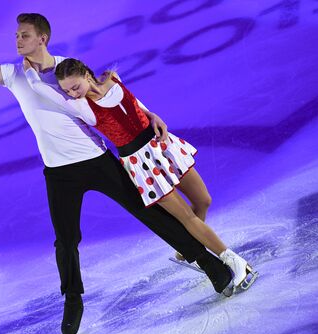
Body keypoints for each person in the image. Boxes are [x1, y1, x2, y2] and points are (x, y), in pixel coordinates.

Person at [0, 13, 234, 334]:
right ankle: (73, 299)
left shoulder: (68, 68)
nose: (17, 40)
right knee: (65, 240)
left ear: (43, 38)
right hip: (58, 173)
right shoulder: (14, 75)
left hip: (97, 160)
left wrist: (151, 113)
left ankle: (209, 264)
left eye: (24, 35)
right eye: (17, 35)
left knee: (150, 214)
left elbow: (110, 96)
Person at [23, 57, 258, 291]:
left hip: (162, 146)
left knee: (203, 200)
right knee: (187, 217)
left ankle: (189, 247)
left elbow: (138, 105)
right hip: (141, 164)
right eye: (67, 90)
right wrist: (30, 73)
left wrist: (153, 115)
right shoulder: (83, 106)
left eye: (75, 87)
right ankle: (233, 260)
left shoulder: (113, 78)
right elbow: (39, 89)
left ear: (86, 74)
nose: (73, 94)